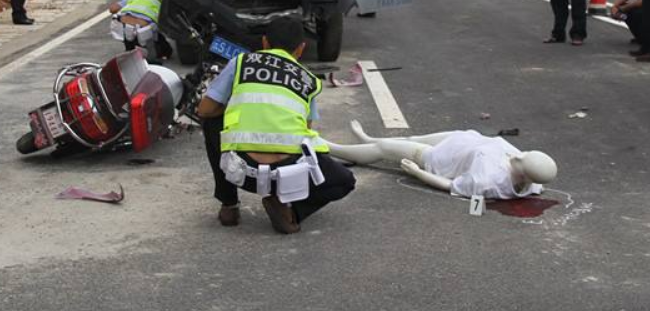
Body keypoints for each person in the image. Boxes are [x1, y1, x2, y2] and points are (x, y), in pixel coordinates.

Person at [197, 16, 355, 234]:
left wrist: (235, 105)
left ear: (264, 42)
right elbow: (305, 130)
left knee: (212, 121)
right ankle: (290, 209)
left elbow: (204, 109)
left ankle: (229, 205)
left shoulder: (242, 62)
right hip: (289, 178)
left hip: (242, 172)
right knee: (345, 180)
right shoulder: (308, 80)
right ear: (300, 49)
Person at [326, 120, 557, 200]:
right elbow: (538, 185)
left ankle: (329, 147)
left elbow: (451, 186)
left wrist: (417, 172)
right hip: (464, 139)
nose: (519, 154)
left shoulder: (488, 182)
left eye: (521, 159)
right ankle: (367, 138)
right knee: (411, 137)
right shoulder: (534, 179)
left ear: (524, 174)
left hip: (438, 159)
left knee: (384, 149)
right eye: (525, 152)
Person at [108, 0, 172, 62]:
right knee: (160, 48)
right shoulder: (163, 2)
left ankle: (130, 50)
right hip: (146, 27)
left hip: (124, 24)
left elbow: (112, 9)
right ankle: (157, 55)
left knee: (125, 27)